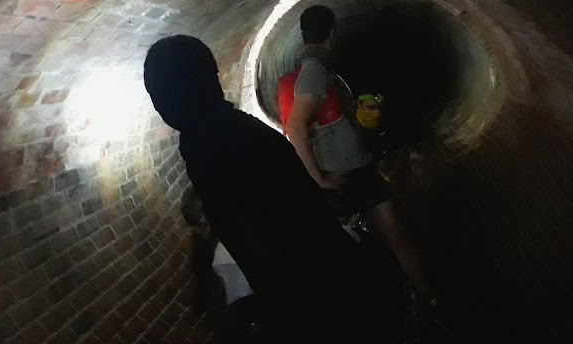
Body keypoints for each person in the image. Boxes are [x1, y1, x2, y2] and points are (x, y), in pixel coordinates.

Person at [143, 35, 394, 343]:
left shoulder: (216, 147)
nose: (159, 106)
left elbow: (263, 241)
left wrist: (279, 317)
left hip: (317, 296)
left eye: (159, 95)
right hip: (323, 287)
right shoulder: (222, 134)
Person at [286, 5, 430, 299]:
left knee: (394, 231)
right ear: (332, 32)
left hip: (359, 169)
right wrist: (319, 179)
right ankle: (381, 299)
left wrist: (358, 115)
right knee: (351, 245)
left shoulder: (324, 68)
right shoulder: (313, 71)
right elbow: (296, 126)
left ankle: (422, 293)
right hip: (340, 176)